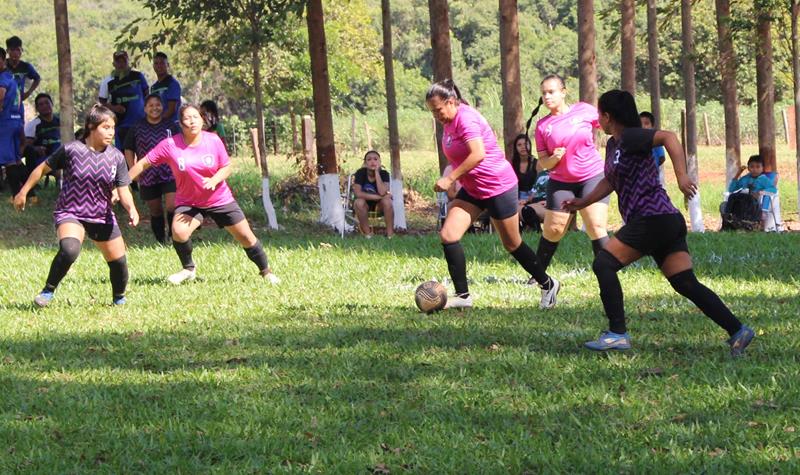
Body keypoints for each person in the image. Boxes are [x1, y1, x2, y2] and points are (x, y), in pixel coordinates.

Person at [563, 89, 754, 356]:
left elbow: (669, 137)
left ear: (608, 116)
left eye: (599, 114)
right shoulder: (615, 145)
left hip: (651, 218)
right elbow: (610, 180)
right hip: (665, 220)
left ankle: (617, 333)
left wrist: (681, 176)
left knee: (604, 263)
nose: (598, 120)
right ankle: (738, 331)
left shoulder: (631, 135)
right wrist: (583, 202)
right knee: (684, 282)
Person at [426, 79, 559, 310]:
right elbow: (457, 154)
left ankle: (548, 283)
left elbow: (477, 154)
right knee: (448, 235)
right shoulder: (448, 121)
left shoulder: (466, 118)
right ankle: (463, 296)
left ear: (450, 102)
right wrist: (453, 174)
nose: (436, 115)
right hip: (474, 188)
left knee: (512, 244)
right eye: (432, 112)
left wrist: (450, 178)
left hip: (498, 186)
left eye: (438, 110)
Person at [127, 104, 279, 285]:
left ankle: (266, 272)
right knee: (179, 231)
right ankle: (188, 269)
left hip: (219, 199)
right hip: (189, 202)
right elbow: (143, 163)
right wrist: (121, 185)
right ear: (180, 123)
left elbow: (227, 166)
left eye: (195, 117)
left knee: (246, 237)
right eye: (187, 118)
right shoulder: (170, 145)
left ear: (202, 119)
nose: (192, 121)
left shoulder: (213, 140)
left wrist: (214, 180)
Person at [13, 104, 139, 307]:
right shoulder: (72, 150)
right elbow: (41, 169)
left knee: (119, 262)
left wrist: (131, 209)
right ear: (91, 126)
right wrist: (23, 192)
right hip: (71, 212)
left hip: (101, 215)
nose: (111, 132)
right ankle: (47, 291)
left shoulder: (117, 157)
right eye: (106, 127)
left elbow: (123, 189)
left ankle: (119, 299)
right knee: (69, 249)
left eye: (113, 127)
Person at [533, 74, 609, 271]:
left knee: (595, 226)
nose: (547, 97)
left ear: (563, 92)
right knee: (554, 230)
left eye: (551, 92)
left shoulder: (584, 110)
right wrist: (555, 158)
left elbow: (608, 125)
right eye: (544, 93)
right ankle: (538, 274)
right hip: (561, 182)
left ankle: (608, 271)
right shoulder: (542, 126)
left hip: (592, 176)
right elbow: (544, 163)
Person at [124, 93, 179, 243]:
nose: (155, 108)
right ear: (145, 108)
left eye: (158, 105)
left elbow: (181, 147)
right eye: (151, 105)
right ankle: (161, 240)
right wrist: (133, 170)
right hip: (147, 175)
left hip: (170, 173)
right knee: (155, 210)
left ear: (162, 106)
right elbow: (128, 148)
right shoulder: (137, 127)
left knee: (172, 206)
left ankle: (175, 237)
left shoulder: (171, 125)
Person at [20, 93, 61, 198]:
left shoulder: (61, 121)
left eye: (47, 103)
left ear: (52, 104)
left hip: (62, 155)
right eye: (40, 104)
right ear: (37, 109)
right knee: (59, 170)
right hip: (44, 159)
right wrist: (36, 148)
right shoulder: (33, 125)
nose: (44, 106)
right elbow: (25, 147)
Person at [105, 51, 149, 150]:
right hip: (121, 125)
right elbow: (102, 103)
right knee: (123, 155)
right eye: (118, 62)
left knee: (142, 152)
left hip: (140, 123)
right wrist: (114, 107)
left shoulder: (138, 76)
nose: (121, 64)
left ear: (128, 62)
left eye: (123, 61)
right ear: (114, 64)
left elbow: (147, 95)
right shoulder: (109, 81)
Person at [727, 155, 778, 229]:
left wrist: (761, 191)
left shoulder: (763, 179)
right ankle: (728, 217)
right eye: (752, 167)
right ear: (748, 168)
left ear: (762, 168)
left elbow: (773, 190)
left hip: (754, 203)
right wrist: (737, 175)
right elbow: (731, 189)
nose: (755, 169)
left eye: (758, 167)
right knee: (732, 196)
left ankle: (745, 223)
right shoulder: (746, 178)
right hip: (742, 200)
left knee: (746, 198)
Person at [352, 150, 394, 238]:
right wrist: (378, 197)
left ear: (380, 162)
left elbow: (382, 191)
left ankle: (390, 235)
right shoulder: (360, 173)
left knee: (388, 201)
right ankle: (368, 234)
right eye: (369, 159)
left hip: (379, 205)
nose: (372, 162)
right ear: (365, 163)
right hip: (365, 204)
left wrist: (377, 173)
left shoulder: (384, 174)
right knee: (358, 202)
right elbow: (358, 194)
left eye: (375, 159)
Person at [0, 47, 23, 195]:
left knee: (8, 161)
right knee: (15, 160)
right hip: (15, 121)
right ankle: (30, 194)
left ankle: (17, 195)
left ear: (3, 60)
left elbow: (0, 99)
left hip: (5, 123)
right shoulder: (11, 77)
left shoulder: (2, 80)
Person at [5, 36, 40, 120]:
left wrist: (28, 93)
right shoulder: (2, 65)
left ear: (22, 51)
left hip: (18, 105)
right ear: (7, 51)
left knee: (18, 127)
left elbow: (37, 78)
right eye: (12, 50)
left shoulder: (26, 67)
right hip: (3, 104)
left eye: (18, 50)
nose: (15, 53)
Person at [150, 52, 181, 123]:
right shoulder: (153, 87)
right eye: (156, 63)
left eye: (162, 63)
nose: (159, 66)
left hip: (171, 125)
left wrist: (158, 121)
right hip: (157, 126)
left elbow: (171, 109)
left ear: (168, 65)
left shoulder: (172, 83)